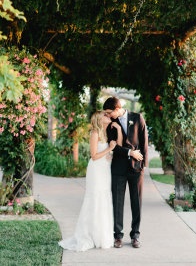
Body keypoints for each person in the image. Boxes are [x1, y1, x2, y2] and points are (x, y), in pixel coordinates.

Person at [58, 110, 121, 252]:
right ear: (99, 119)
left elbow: (103, 153)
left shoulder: (105, 133)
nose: (108, 116)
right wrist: (109, 149)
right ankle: (89, 234)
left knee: (104, 200)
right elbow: (93, 156)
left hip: (104, 170)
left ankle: (101, 236)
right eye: (105, 115)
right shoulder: (95, 133)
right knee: (95, 200)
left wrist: (109, 155)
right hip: (96, 171)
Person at [103, 97, 148, 249]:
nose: (108, 116)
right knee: (117, 202)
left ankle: (135, 235)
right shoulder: (110, 125)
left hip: (136, 169)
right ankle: (118, 236)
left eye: (109, 112)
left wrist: (143, 165)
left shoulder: (137, 118)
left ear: (117, 108)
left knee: (137, 202)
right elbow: (113, 147)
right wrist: (130, 152)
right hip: (118, 168)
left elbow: (144, 142)